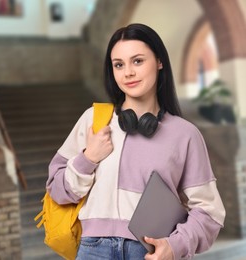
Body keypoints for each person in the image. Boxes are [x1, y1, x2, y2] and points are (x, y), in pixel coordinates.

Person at [46, 23, 226, 259]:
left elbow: (209, 212)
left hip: (150, 251)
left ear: (159, 62)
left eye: (137, 61)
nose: (127, 72)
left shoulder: (185, 135)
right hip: (93, 250)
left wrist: (175, 246)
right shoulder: (94, 121)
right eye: (118, 65)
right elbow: (57, 191)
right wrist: (88, 158)